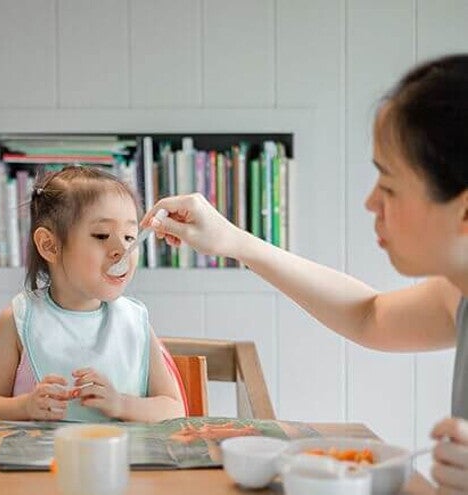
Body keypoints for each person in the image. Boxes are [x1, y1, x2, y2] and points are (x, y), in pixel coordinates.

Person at [142, 54, 467, 493]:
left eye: (388, 186)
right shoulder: (457, 295)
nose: (371, 202)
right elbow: (369, 315)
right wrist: (233, 241)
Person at [0, 166, 185, 423]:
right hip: (41, 462)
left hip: (124, 462)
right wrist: (25, 407)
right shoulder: (16, 321)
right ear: (50, 246)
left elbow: (174, 409)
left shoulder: (134, 321)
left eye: (130, 237)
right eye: (102, 235)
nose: (122, 249)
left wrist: (121, 404)